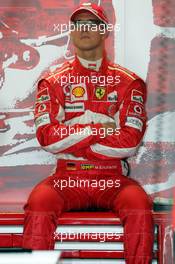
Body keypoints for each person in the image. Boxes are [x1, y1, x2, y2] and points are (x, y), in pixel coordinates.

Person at [22, 2, 154, 263]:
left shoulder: (129, 82)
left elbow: (129, 143)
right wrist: (98, 127)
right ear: (71, 32)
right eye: (78, 24)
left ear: (105, 32)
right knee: (39, 203)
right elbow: (47, 138)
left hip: (112, 177)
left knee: (139, 204)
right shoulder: (53, 81)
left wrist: (73, 135)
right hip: (66, 178)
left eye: (92, 24)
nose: (84, 29)